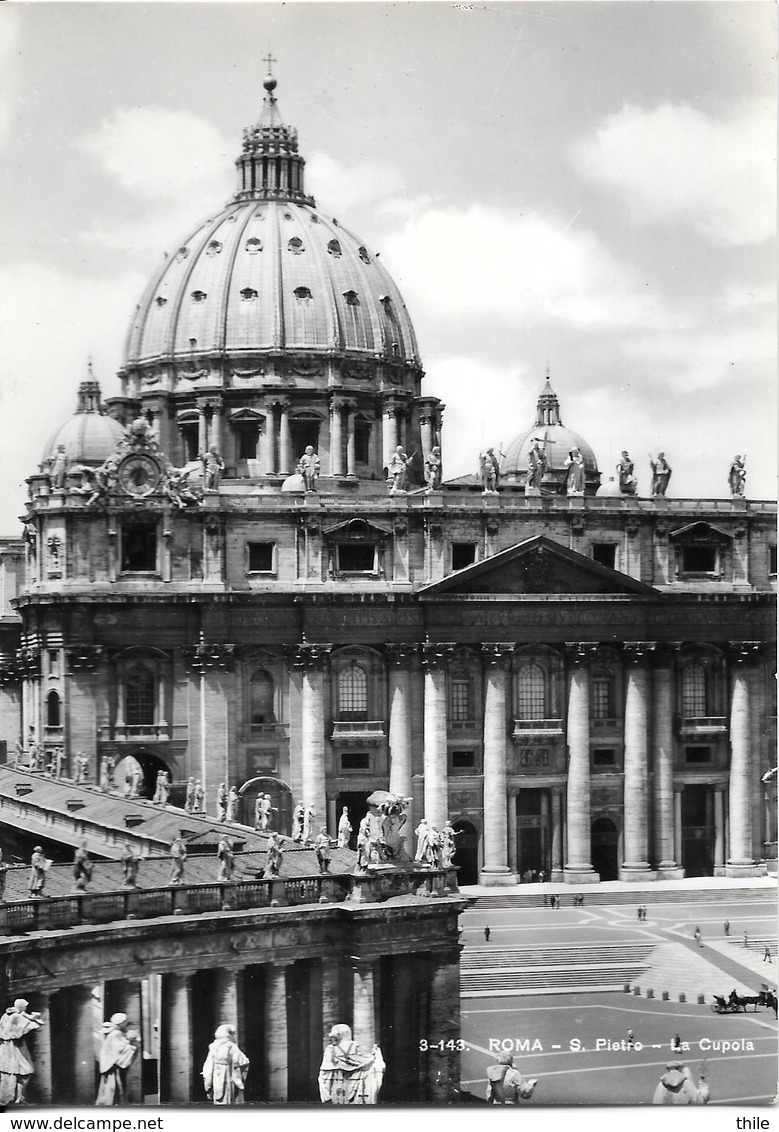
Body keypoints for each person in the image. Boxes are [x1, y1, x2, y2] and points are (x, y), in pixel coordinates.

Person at [318, 1023, 385, 1105]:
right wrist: (377, 1055)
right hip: (357, 1085)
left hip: (337, 1085)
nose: (331, 1038)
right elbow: (370, 1062)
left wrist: (325, 1095)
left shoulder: (331, 1049)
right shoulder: (357, 1046)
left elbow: (324, 1073)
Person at [0, 998, 44, 1105]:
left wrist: (28, 1016)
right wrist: (34, 1017)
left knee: (19, 1072)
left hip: (9, 1048)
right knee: (24, 1071)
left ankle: (19, 1098)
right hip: (14, 1048)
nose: (26, 1008)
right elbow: (33, 1024)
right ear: (20, 1006)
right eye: (25, 1006)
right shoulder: (16, 1016)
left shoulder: (7, 1015)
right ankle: (15, 1098)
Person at [95, 1013, 139, 1106]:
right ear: (121, 1023)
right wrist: (132, 1046)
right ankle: (113, 1104)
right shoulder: (116, 1033)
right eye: (125, 1022)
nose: (126, 1024)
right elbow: (119, 1048)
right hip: (113, 1065)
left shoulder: (112, 1032)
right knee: (113, 1087)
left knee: (109, 1087)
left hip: (109, 1063)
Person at [201, 1024, 249, 1105]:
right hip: (228, 1074)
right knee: (229, 1097)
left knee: (219, 1096)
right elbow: (243, 1062)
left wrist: (208, 1084)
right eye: (233, 1034)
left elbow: (208, 1066)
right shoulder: (232, 1046)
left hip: (217, 1075)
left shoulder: (213, 1046)